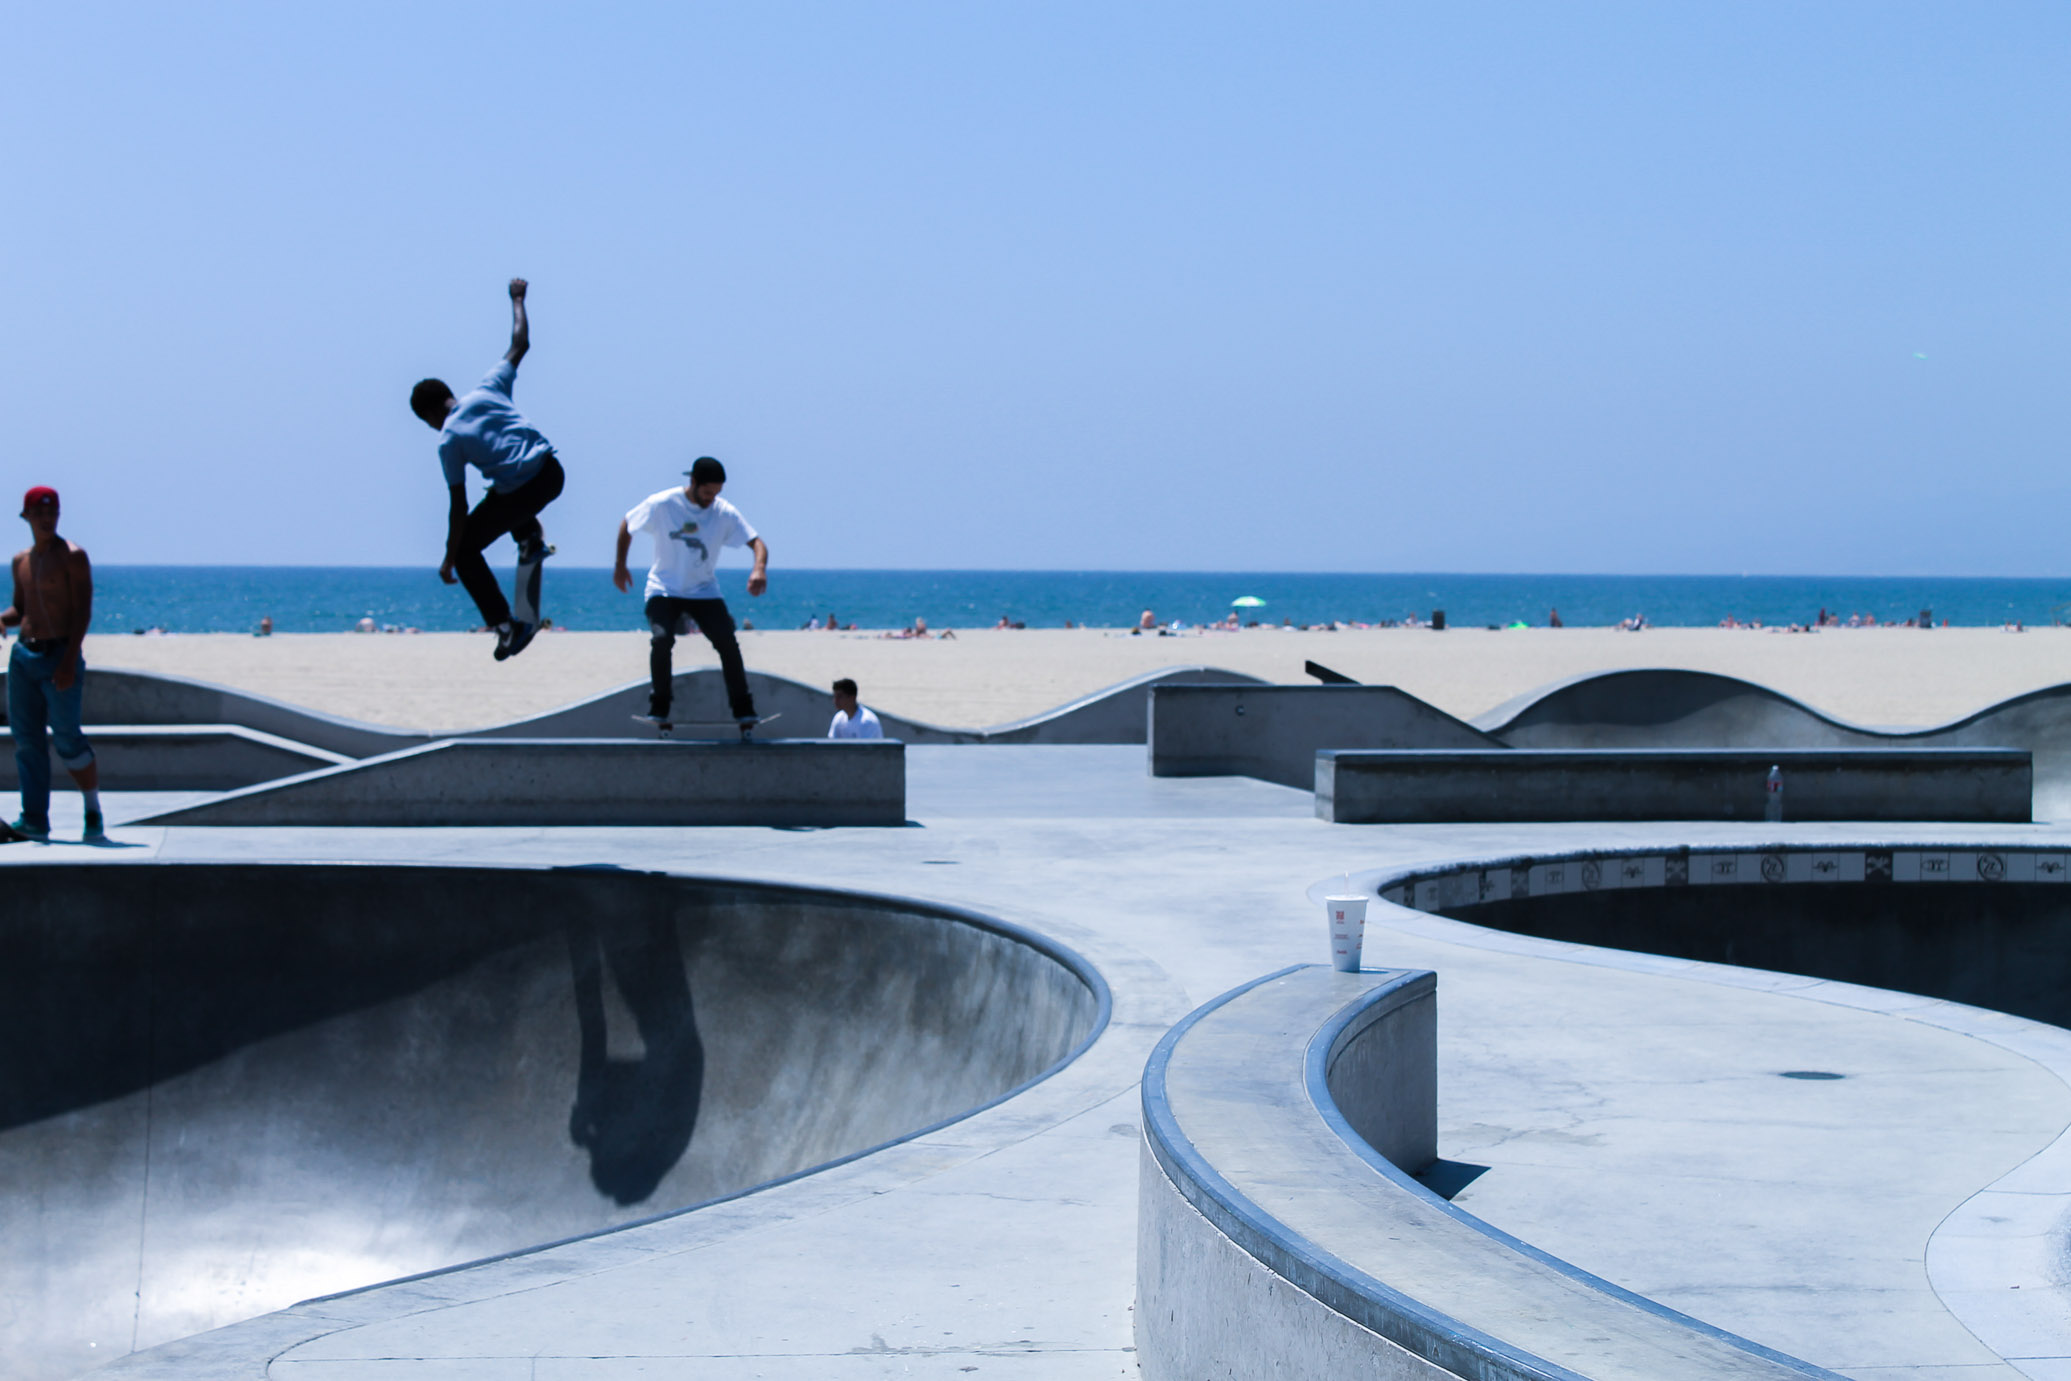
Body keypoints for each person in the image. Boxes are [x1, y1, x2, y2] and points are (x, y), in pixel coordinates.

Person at [410, 277, 564, 662]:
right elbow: (520, 343)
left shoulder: (449, 441)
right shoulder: (489, 388)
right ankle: (528, 537)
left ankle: (506, 625)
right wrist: (517, 299)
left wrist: (450, 557)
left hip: (522, 492)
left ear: (429, 415)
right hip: (552, 473)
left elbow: (458, 507)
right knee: (499, 492)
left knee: (468, 550)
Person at [615, 456, 768, 731]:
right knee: (662, 639)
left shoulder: (723, 512)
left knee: (727, 642)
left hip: (704, 591)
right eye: (707, 493)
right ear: (693, 482)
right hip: (664, 588)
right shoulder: (663, 503)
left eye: (716, 493)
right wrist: (620, 565)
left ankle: (744, 709)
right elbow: (627, 523)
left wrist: (759, 569)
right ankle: (659, 708)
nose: (711, 499)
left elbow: (757, 542)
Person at [1, 487, 101, 841]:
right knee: (27, 740)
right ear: (26, 516)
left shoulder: (72, 556)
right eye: (40, 513)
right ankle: (34, 819)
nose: (47, 520)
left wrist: (69, 660)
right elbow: (21, 609)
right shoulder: (20, 561)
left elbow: (82, 611)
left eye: (52, 513)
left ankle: (92, 808)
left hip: (59, 653)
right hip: (24, 656)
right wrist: (2, 619)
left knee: (67, 738)